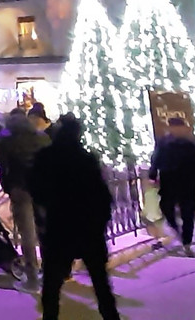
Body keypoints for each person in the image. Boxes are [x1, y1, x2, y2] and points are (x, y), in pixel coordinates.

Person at [29, 114, 120, 320]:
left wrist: (49, 206)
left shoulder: (47, 157)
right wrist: (100, 223)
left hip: (60, 224)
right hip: (87, 226)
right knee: (100, 282)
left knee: (52, 284)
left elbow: (36, 188)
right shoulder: (86, 159)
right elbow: (102, 195)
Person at [0, 108, 50, 290]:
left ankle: (32, 275)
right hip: (41, 187)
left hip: (20, 187)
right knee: (44, 228)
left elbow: (2, 165)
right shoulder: (42, 138)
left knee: (27, 232)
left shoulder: (7, 140)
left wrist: (7, 186)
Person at [148, 116, 195, 255]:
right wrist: (153, 174)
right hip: (172, 181)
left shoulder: (189, 145)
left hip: (183, 182)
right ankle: (181, 235)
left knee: (187, 214)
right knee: (171, 209)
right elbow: (156, 159)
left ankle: (186, 241)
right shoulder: (165, 143)